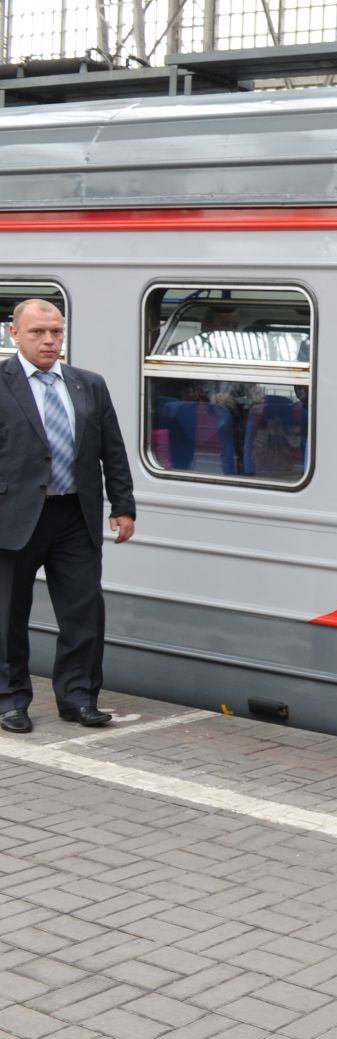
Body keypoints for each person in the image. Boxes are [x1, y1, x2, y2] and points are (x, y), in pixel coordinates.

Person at [0, 299, 137, 733]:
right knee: (7, 617)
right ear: (14, 335)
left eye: (56, 332)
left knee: (84, 612)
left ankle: (78, 698)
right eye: (38, 332)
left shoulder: (88, 385)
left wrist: (124, 505)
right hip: (14, 517)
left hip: (74, 515)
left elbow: (111, 449)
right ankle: (10, 701)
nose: (49, 340)